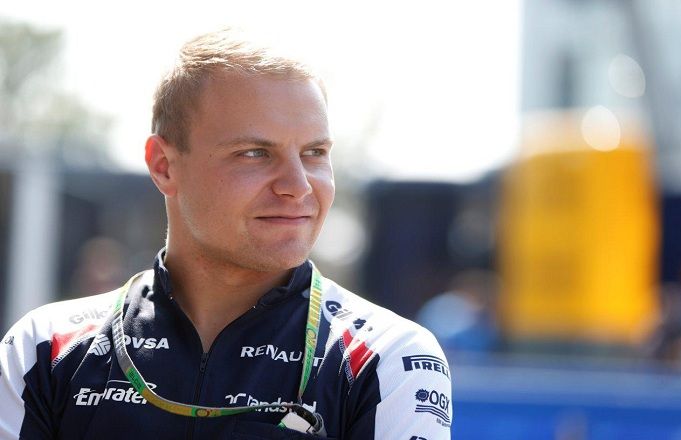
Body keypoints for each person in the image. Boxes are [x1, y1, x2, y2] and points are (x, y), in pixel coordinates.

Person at [0, 29, 452, 439]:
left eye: (314, 152)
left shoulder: (386, 356)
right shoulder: (43, 347)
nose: (298, 186)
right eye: (255, 153)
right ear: (164, 165)